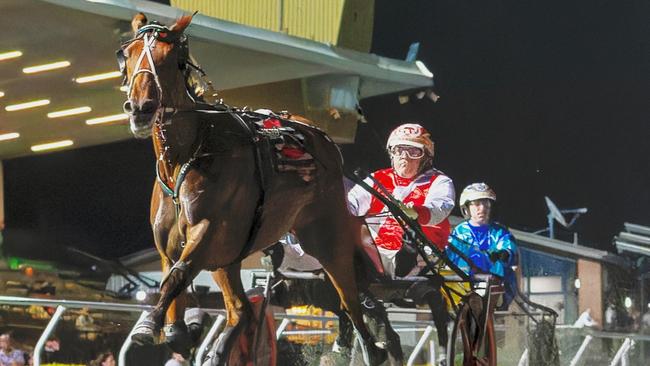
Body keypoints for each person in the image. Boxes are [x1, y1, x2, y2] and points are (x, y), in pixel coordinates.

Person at [347, 123, 455, 365]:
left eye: (413, 152)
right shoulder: (377, 178)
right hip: (374, 252)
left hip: (417, 252)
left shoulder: (439, 181)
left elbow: (441, 207)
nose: (404, 158)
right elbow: (350, 203)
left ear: (426, 158)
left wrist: (416, 212)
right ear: (391, 153)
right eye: (398, 151)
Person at [446, 183, 518, 309]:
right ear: (466, 208)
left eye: (486, 204)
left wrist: (504, 253)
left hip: (495, 283)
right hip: (464, 283)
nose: (482, 208)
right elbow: (449, 256)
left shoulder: (499, 232)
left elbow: (508, 247)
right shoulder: (459, 232)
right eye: (477, 204)